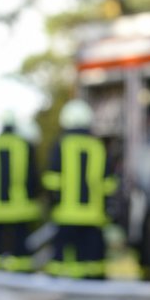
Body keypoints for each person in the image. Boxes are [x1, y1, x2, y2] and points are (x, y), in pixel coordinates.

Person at [42, 99, 118, 279]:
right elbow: (109, 184)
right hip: (93, 218)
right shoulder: (98, 146)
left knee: (61, 266)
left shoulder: (61, 144)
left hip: (66, 217)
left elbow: (51, 181)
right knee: (93, 267)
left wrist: (53, 203)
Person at [0, 112, 40, 272]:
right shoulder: (24, 145)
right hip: (20, 207)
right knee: (20, 249)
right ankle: (22, 275)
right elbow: (32, 176)